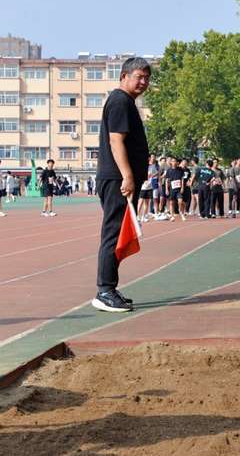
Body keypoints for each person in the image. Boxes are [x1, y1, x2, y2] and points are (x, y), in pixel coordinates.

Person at [92, 57, 151, 313]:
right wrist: (127, 175)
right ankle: (104, 290)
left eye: (147, 78)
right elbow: (116, 140)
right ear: (124, 76)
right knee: (113, 233)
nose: (143, 82)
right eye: (139, 76)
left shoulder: (126, 102)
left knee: (119, 233)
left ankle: (110, 289)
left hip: (121, 179)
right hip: (117, 179)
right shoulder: (119, 101)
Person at [164, 156, 185, 222]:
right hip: (172, 189)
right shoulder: (169, 170)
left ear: (177, 162)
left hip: (179, 188)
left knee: (180, 201)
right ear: (171, 162)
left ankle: (181, 212)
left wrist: (182, 187)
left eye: (175, 161)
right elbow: (167, 180)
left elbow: (182, 179)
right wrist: (166, 189)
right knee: (171, 202)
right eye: (173, 161)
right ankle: (172, 216)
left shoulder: (180, 169)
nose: (174, 162)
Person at [138, 154, 156, 222]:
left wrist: (152, 176)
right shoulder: (142, 166)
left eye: (149, 158)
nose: (149, 159)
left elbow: (156, 173)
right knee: (140, 202)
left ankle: (144, 216)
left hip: (150, 187)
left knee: (147, 202)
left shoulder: (152, 166)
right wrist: (143, 180)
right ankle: (137, 216)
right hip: (143, 187)